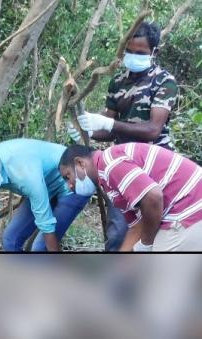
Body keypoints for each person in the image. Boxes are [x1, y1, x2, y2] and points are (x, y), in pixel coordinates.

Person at [67, 21, 178, 251]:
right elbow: (109, 130)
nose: (133, 56)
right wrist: (86, 130)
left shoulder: (164, 81)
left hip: (155, 164)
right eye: (130, 51)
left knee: (156, 228)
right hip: (121, 166)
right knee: (118, 231)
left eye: (140, 53)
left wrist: (109, 122)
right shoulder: (117, 81)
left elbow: (153, 130)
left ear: (153, 52)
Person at [59, 143, 202, 251]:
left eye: (68, 176)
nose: (69, 185)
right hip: (179, 209)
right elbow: (137, 227)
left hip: (189, 208)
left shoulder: (110, 164)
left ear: (80, 163)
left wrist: (146, 244)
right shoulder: (107, 181)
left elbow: (153, 197)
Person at [0, 139, 90, 252]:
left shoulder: (24, 173)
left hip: (72, 179)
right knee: (10, 240)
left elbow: (46, 226)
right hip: (44, 186)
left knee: (40, 248)